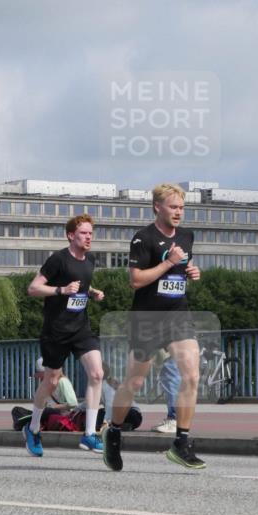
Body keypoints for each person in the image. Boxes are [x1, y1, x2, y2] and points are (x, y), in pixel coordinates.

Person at [104, 183, 204, 471]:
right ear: (157, 207)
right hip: (147, 318)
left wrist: (191, 270)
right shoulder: (142, 238)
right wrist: (168, 262)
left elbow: (183, 267)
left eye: (182, 208)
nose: (178, 213)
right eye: (173, 207)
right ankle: (113, 430)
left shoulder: (186, 236)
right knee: (133, 383)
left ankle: (181, 443)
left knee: (192, 375)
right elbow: (135, 280)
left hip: (177, 315)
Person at [25, 214, 105, 456]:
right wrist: (60, 290)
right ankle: (33, 428)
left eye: (91, 233)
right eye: (83, 233)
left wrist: (92, 292)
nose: (88, 237)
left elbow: (80, 285)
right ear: (71, 235)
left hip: (81, 328)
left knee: (97, 373)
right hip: (56, 331)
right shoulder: (58, 259)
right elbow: (33, 288)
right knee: (51, 381)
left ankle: (89, 434)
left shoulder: (90, 259)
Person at [151, 350, 180, 434]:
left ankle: (175, 420)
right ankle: (172, 418)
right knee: (167, 376)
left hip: (172, 341)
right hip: (167, 342)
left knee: (171, 374)